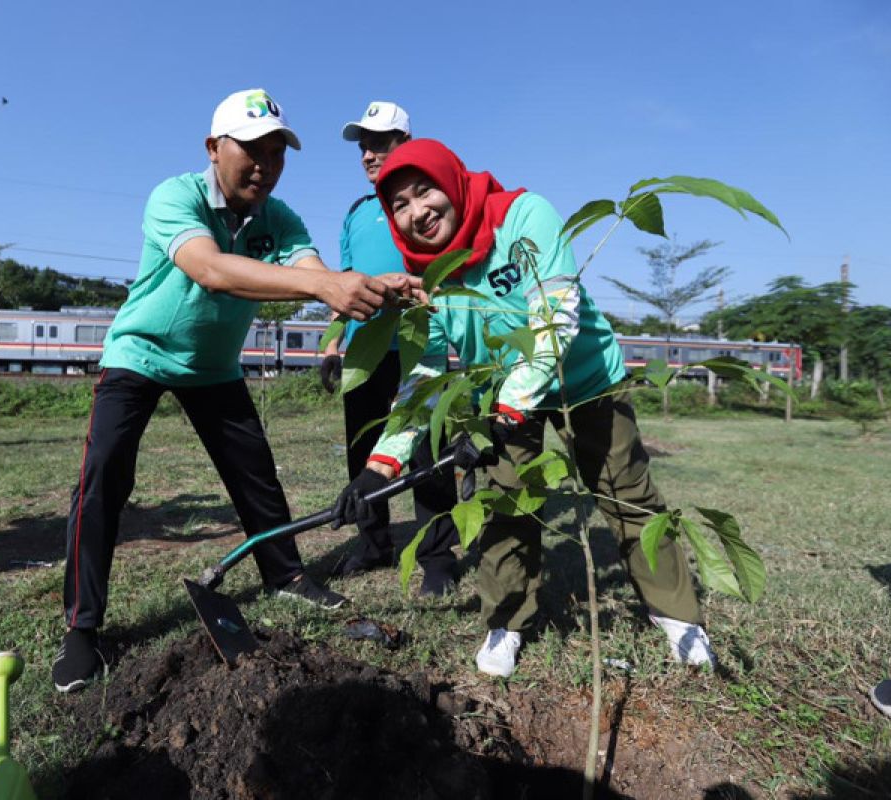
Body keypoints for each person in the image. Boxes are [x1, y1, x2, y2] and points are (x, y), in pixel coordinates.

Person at [53, 89, 425, 693]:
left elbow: (312, 271)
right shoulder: (176, 197)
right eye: (251, 150)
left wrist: (356, 284)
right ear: (213, 149)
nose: (265, 165)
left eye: (277, 153)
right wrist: (327, 287)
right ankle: (82, 630)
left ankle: (286, 577)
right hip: (140, 356)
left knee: (256, 474)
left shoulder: (279, 218)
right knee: (103, 481)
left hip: (213, 368)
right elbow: (211, 269)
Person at [332, 139, 713, 678]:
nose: (417, 212)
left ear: (453, 181)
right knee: (504, 500)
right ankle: (507, 621)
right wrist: (380, 467)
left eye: (424, 192)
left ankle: (676, 614)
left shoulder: (523, 215)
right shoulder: (431, 278)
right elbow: (428, 374)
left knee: (626, 492)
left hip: (581, 376)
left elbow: (556, 318)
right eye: (399, 206)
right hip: (504, 393)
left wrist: (502, 411)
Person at [320, 102, 459, 596]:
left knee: (427, 452)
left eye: (378, 142)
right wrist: (332, 345)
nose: (367, 154)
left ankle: (438, 556)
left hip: (420, 344)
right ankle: (373, 541)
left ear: (406, 141)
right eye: (362, 146)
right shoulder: (357, 214)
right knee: (363, 448)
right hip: (364, 350)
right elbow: (343, 282)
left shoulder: (423, 207)